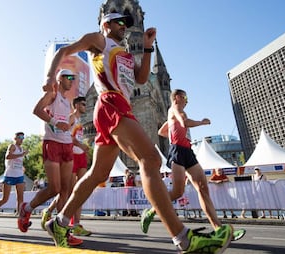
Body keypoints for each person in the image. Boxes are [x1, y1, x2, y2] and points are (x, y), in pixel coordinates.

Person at [41, 12, 232, 252]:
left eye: (127, 24)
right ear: (106, 23)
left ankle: (58, 223)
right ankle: (184, 239)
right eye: (119, 22)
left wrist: (147, 47)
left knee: (97, 174)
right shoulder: (98, 40)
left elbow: (142, 79)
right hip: (110, 102)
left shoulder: (126, 54)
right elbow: (64, 51)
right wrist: (50, 77)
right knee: (150, 159)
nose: (124, 27)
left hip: (121, 105)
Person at [140, 89, 243, 242]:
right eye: (185, 97)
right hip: (177, 152)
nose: (187, 101)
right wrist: (201, 122)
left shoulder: (173, 113)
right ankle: (151, 211)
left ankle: (219, 229)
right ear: (177, 97)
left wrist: (173, 128)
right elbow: (184, 122)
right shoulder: (174, 109)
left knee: (203, 187)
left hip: (187, 151)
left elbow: (162, 131)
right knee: (177, 192)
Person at [18, 69, 82, 246]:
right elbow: (37, 110)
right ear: (60, 79)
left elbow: (65, 124)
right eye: (69, 78)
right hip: (52, 143)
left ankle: (62, 231)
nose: (72, 81)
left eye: (74, 78)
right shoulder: (52, 94)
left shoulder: (68, 102)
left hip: (66, 144)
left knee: (65, 190)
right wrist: (55, 123)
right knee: (54, 188)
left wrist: (71, 130)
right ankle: (27, 208)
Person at [41, 96, 92, 237]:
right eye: (82, 104)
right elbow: (66, 135)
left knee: (81, 190)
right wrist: (79, 145)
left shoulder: (80, 122)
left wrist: (83, 149)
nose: (85, 106)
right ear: (75, 105)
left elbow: (78, 138)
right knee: (68, 192)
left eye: (85, 104)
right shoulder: (70, 118)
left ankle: (76, 224)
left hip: (81, 156)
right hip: (71, 156)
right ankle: (52, 213)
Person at [0, 132, 28, 222]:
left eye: (23, 137)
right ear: (15, 138)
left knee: (20, 198)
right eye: (20, 137)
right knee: (5, 199)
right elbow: (8, 156)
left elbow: (18, 161)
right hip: (9, 175)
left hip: (19, 175)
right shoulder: (12, 146)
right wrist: (21, 155)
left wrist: (22, 167)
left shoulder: (22, 149)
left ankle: (20, 219)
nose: (21, 139)